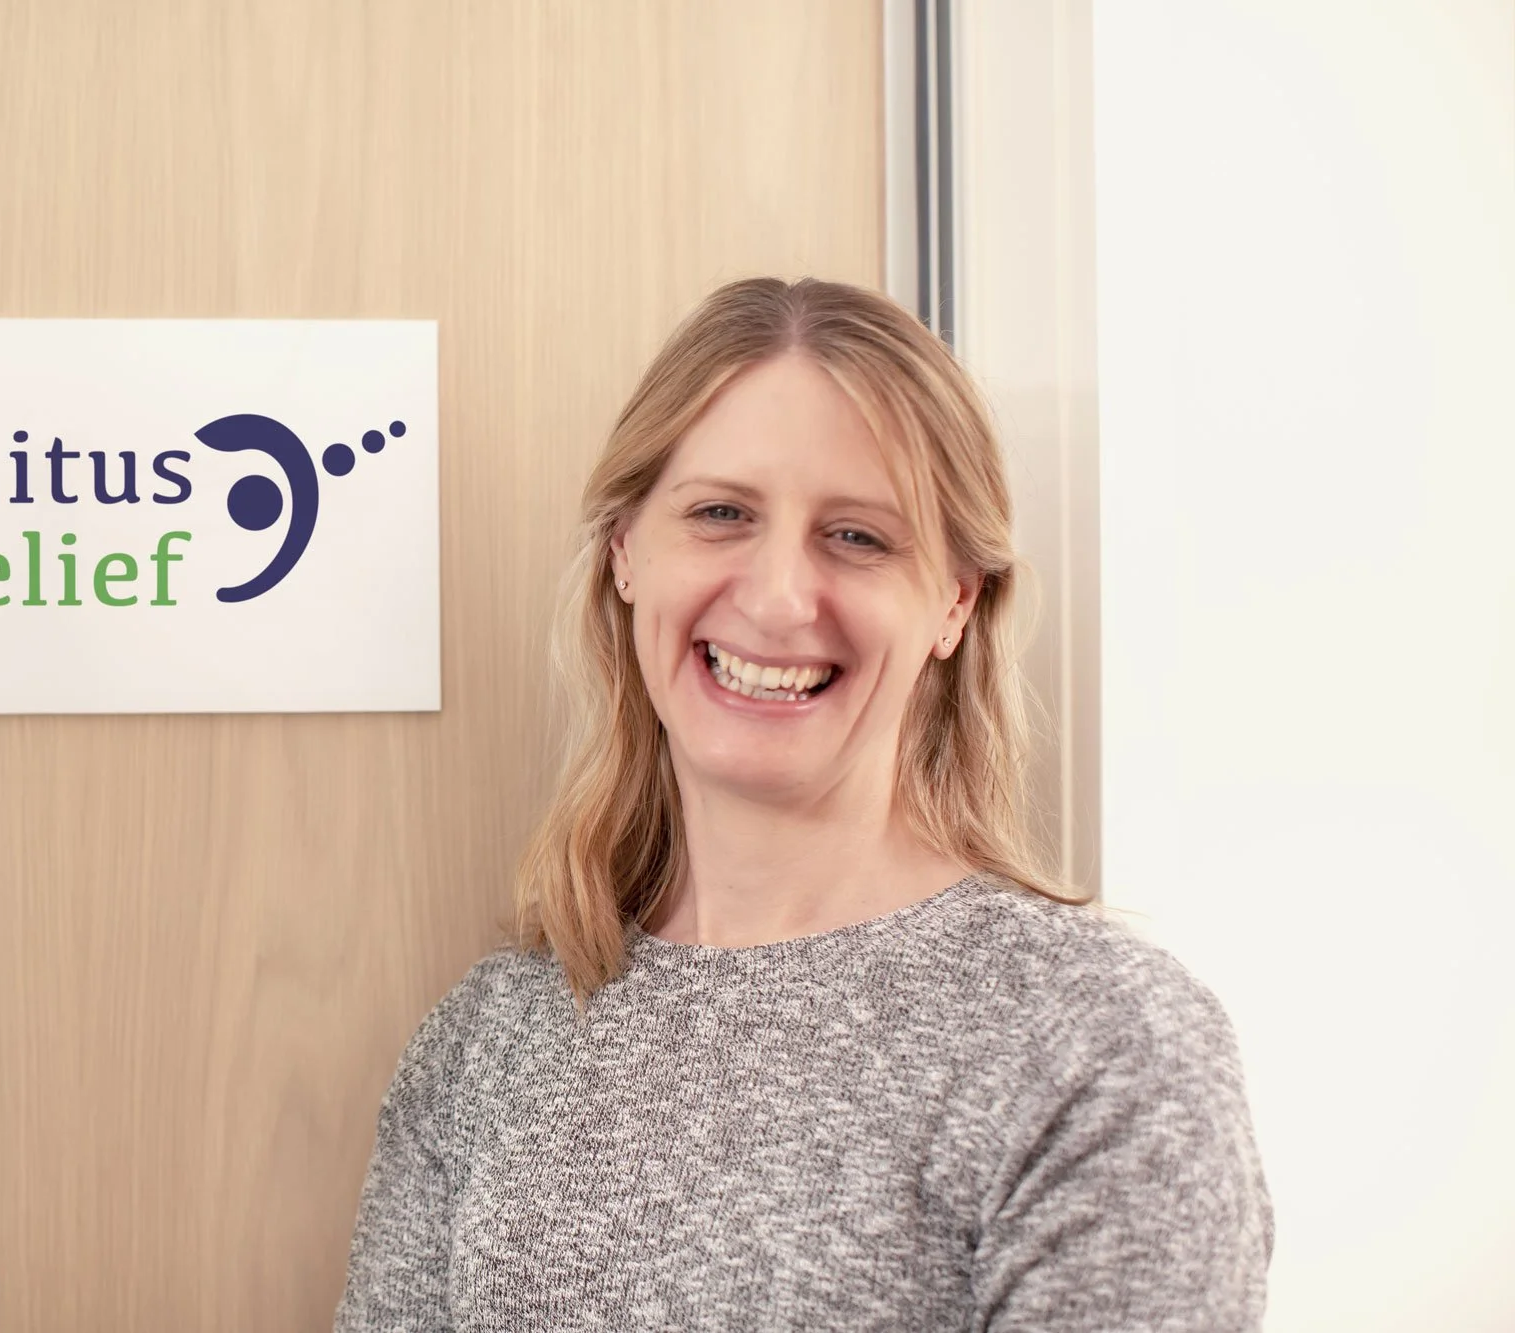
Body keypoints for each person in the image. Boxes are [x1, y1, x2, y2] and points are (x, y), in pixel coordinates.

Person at [333, 277, 1273, 1330]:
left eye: (858, 537)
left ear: (954, 601)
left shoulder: (1099, 1046)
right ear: (626, 552)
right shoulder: (489, 1043)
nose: (779, 596)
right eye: (720, 514)